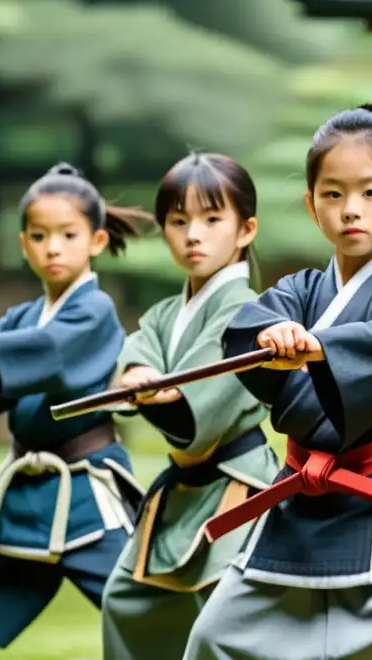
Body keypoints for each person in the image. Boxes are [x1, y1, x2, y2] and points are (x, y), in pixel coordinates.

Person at [183, 104, 372, 660]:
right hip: (300, 499)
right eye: (332, 194)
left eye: (371, 193)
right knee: (213, 636)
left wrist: (320, 347)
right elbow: (245, 330)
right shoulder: (300, 289)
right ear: (312, 205)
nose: (351, 209)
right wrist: (273, 338)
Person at [0, 163, 152, 660]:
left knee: (133, 594)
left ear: (95, 241)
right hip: (26, 485)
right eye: (39, 236)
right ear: (24, 244)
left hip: (87, 486)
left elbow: (51, 355)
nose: (53, 247)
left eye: (67, 235)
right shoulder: (22, 318)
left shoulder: (94, 311)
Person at [101, 152, 278, 659]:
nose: (193, 234)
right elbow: (140, 352)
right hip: (183, 490)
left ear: (245, 230)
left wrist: (160, 391)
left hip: (238, 487)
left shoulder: (247, 310)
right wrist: (139, 377)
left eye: (211, 219)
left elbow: (194, 412)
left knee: (220, 615)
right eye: (178, 222)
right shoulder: (164, 313)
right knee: (126, 598)